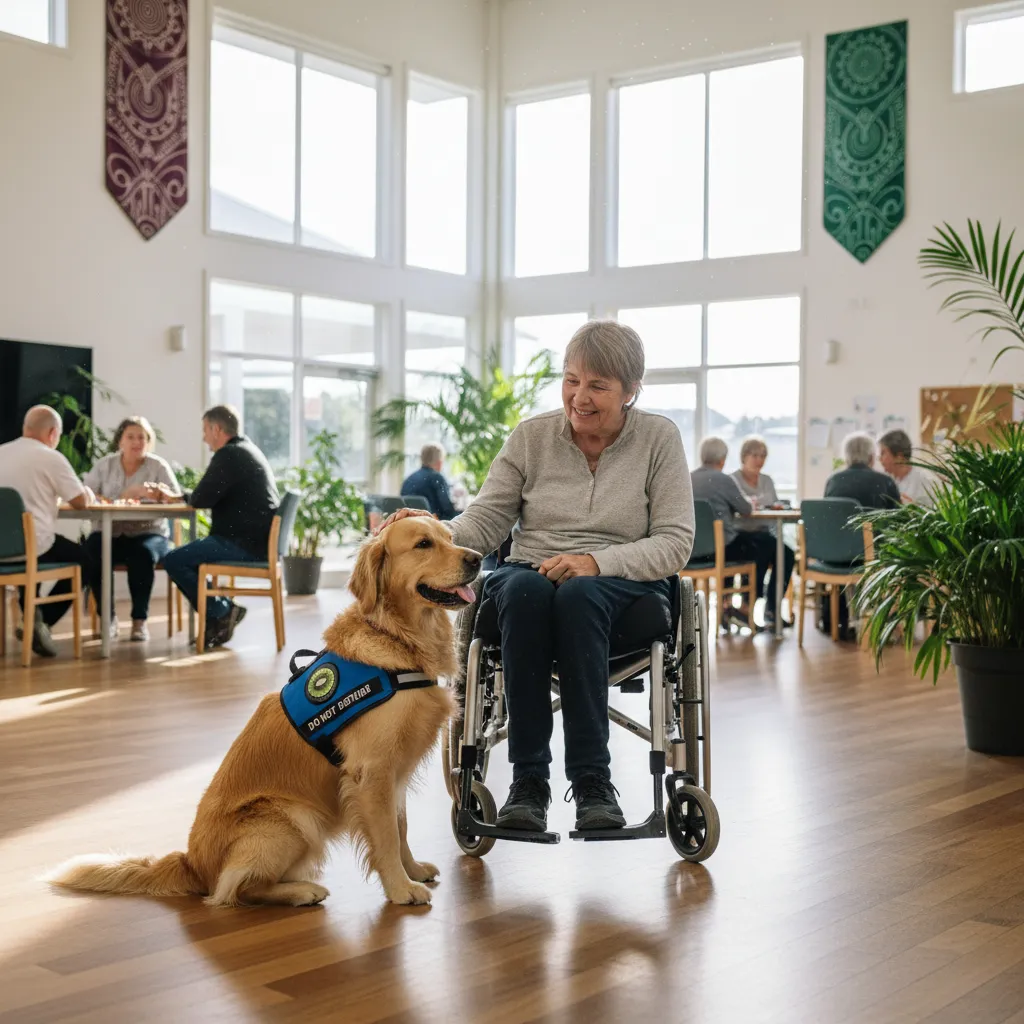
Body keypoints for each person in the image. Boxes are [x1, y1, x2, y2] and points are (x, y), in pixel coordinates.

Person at [378, 321, 694, 834]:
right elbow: (484, 521)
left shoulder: (659, 439)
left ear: (631, 390)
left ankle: (593, 782)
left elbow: (675, 542)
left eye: (597, 386)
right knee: (521, 589)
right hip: (531, 578)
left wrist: (596, 561)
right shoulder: (531, 437)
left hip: (623, 590)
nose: (579, 398)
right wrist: (428, 532)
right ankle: (529, 783)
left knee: (580, 595)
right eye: (571, 380)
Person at [157, 405, 280, 649]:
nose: (204, 438)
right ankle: (221, 613)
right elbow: (208, 495)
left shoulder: (228, 455)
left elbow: (202, 499)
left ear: (216, 429)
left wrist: (182, 496)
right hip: (255, 542)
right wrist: (181, 496)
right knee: (181, 558)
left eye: (205, 430)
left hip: (242, 545)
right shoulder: (246, 450)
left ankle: (223, 610)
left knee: (173, 560)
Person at [0, 405, 95, 657]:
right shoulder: (50, 457)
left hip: (2, 552)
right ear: (53, 433)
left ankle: (31, 618)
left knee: (29, 546)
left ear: (25, 428)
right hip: (32, 548)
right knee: (85, 560)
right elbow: (80, 502)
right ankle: (39, 623)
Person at [82, 416, 181, 642]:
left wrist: (160, 494)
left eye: (142, 437)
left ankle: (139, 621)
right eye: (131, 437)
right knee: (94, 550)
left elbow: (177, 499)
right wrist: (122, 496)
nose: (137, 442)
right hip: (109, 532)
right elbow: (86, 495)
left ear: (149, 441)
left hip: (149, 533)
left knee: (142, 553)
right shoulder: (104, 465)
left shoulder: (158, 466)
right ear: (120, 442)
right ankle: (108, 618)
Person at [690, 436, 776, 631]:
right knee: (763, 544)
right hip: (720, 549)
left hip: (691, 550)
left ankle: (727, 605)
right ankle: (741, 606)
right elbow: (745, 508)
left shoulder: (688, 478)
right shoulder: (723, 479)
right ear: (722, 460)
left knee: (741, 543)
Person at [730, 435, 795, 630]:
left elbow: (773, 506)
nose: (759, 460)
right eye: (755, 455)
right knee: (762, 550)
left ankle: (772, 607)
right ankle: (747, 607)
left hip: (764, 531)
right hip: (740, 534)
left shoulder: (767, 480)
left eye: (763, 456)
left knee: (787, 554)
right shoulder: (733, 480)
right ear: (744, 456)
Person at [824, 432, 901, 508]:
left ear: (846, 458)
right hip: (872, 521)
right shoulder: (886, 481)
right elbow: (898, 517)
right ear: (871, 457)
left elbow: (827, 513)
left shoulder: (833, 480)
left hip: (840, 521)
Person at [877, 428, 936, 507]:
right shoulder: (887, 480)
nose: (880, 458)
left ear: (899, 456)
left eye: (883, 453)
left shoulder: (925, 480)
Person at [401, 443, 457, 520]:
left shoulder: (409, 479)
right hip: (432, 525)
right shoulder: (437, 478)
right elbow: (448, 510)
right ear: (439, 462)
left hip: (409, 524)